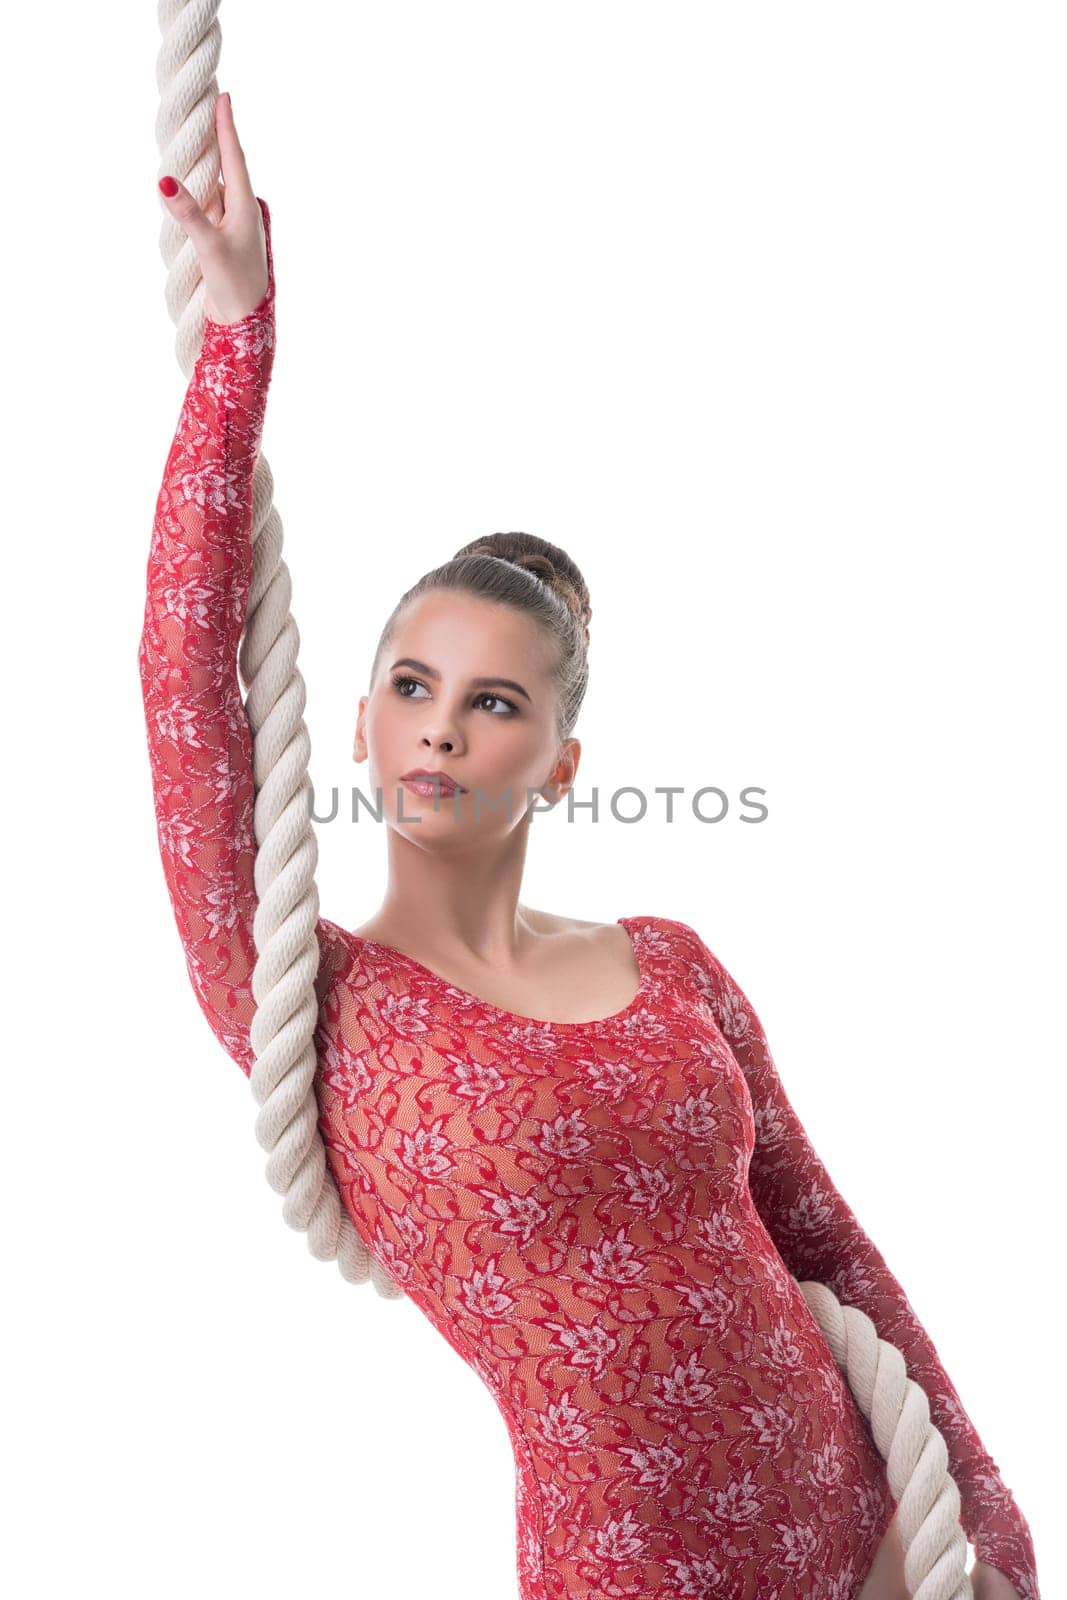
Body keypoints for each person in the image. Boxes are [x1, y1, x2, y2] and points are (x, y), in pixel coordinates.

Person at [141, 92, 1039, 1600]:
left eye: (492, 704)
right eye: (412, 690)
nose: (440, 729)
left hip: (879, 1546)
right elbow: (185, 699)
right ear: (357, 727)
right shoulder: (321, 1009)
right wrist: (238, 354)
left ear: (558, 760)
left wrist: (985, 1522)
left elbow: (831, 1253)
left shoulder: (670, 961)